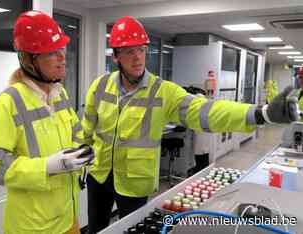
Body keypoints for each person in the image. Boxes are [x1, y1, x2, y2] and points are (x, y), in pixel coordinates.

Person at [81, 15, 299, 233]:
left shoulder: (162, 91)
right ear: (116, 56)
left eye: (142, 50)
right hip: (98, 175)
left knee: (133, 229)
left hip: (134, 181)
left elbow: (206, 111)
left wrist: (261, 114)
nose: (138, 57)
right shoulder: (100, 86)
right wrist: (79, 162)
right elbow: (86, 129)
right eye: (129, 51)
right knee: (95, 228)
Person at [0, 11, 91, 234]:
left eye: (62, 49)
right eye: (52, 52)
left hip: (68, 217)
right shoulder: (8, 103)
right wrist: (48, 166)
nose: (62, 57)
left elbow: (77, 134)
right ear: (29, 60)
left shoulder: (60, 94)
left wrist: (84, 152)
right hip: (33, 227)